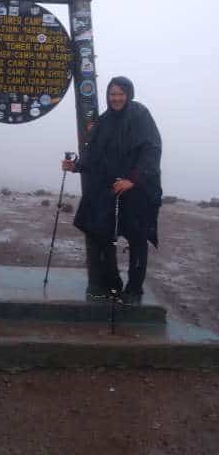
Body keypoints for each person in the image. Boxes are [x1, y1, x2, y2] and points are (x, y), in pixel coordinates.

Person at [62, 76, 162, 305]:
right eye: (112, 94)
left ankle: (134, 290)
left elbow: (152, 150)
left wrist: (132, 180)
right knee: (100, 232)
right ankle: (113, 281)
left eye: (120, 94)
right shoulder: (105, 121)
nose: (116, 98)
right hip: (110, 188)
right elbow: (95, 155)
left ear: (129, 94)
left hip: (138, 189)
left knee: (137, 238)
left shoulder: (140, 116)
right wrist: (76, 166)